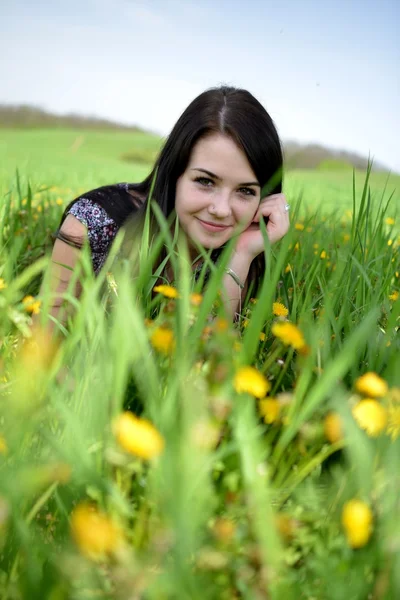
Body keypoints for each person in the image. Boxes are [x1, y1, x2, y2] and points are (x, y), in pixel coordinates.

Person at [46, 85, 290, 328]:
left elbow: (213, 355)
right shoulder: (94, 223)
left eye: (245, 191)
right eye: (205, 181)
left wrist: (241, 255)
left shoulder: (240, 243)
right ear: (174, 173)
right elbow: (43, 345)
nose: (222, 210)